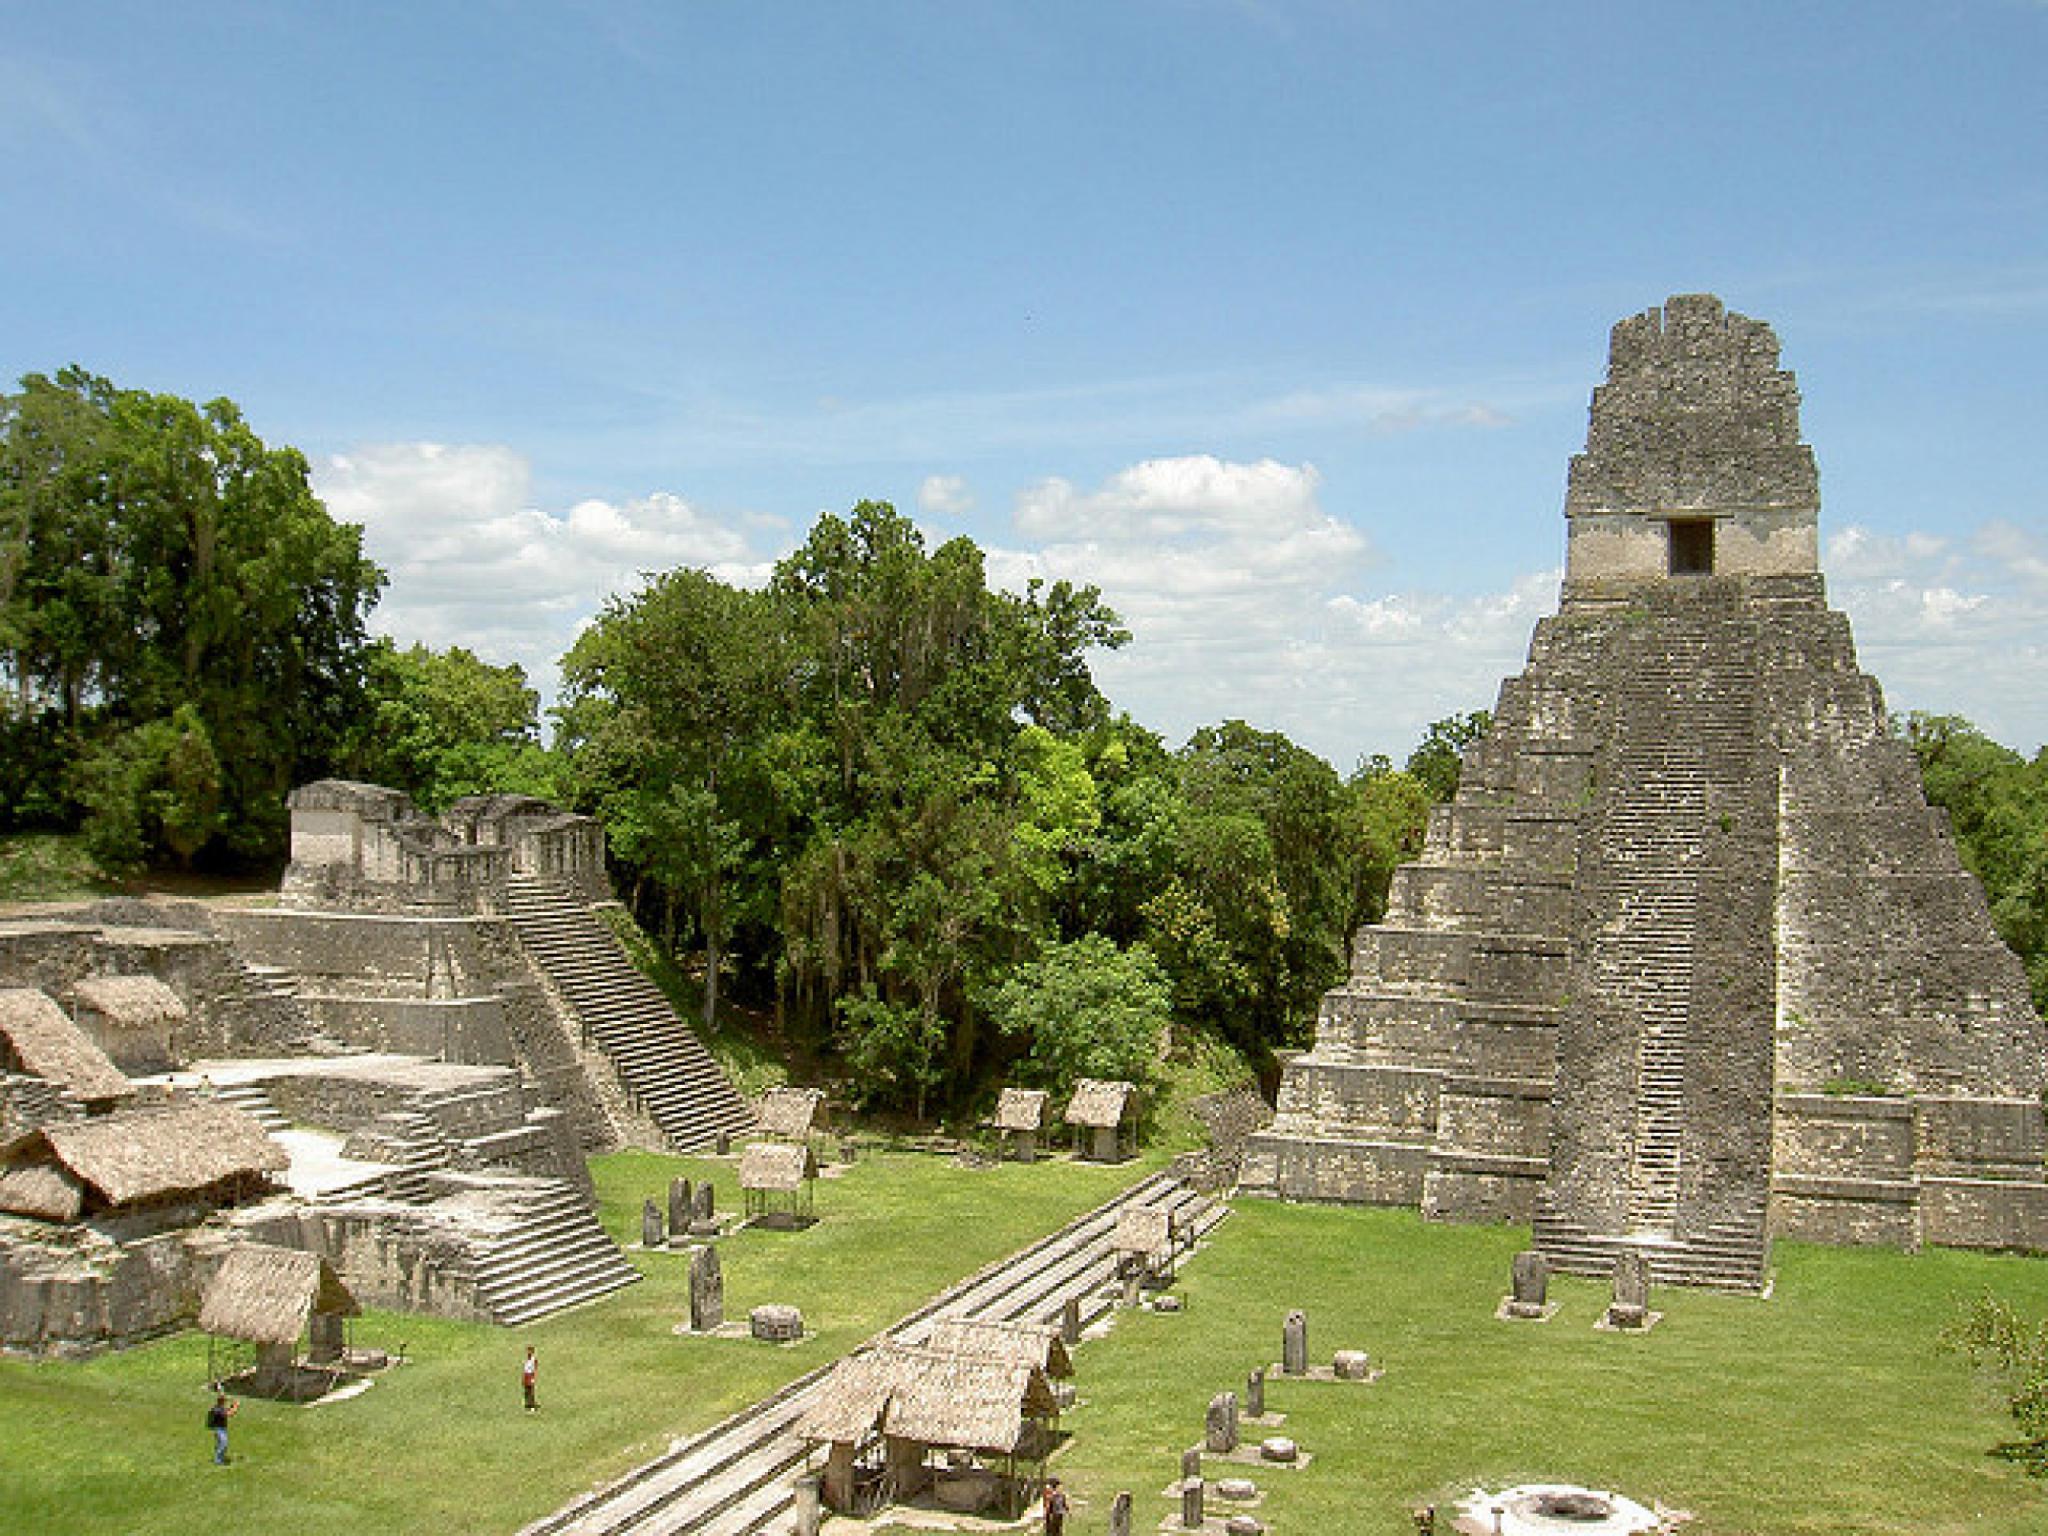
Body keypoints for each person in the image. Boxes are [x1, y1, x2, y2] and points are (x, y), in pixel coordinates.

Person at [206, 1391, 237, 1464]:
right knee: (223, 1443)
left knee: (221, 1444)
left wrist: (232, 1406)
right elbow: (230, 1414)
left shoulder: (220, 1408)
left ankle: (220, 1458)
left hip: (221, 1428)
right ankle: (218, 1460)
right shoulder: (218, 1409)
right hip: (219, 1429)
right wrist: (235, 1406)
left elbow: (228, 1410)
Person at [521, 1345, 538, 1411]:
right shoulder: (527, 1359)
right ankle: (527, 1404)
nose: (528, 1352)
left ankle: (532, 1406)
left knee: (530, 1391)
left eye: (529, 1351)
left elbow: (534, 1369)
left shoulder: (533, 1360)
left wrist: (533, 1378)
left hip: (530, 1375)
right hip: (526, 1375)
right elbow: (525, 1369)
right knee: (526, 1391)